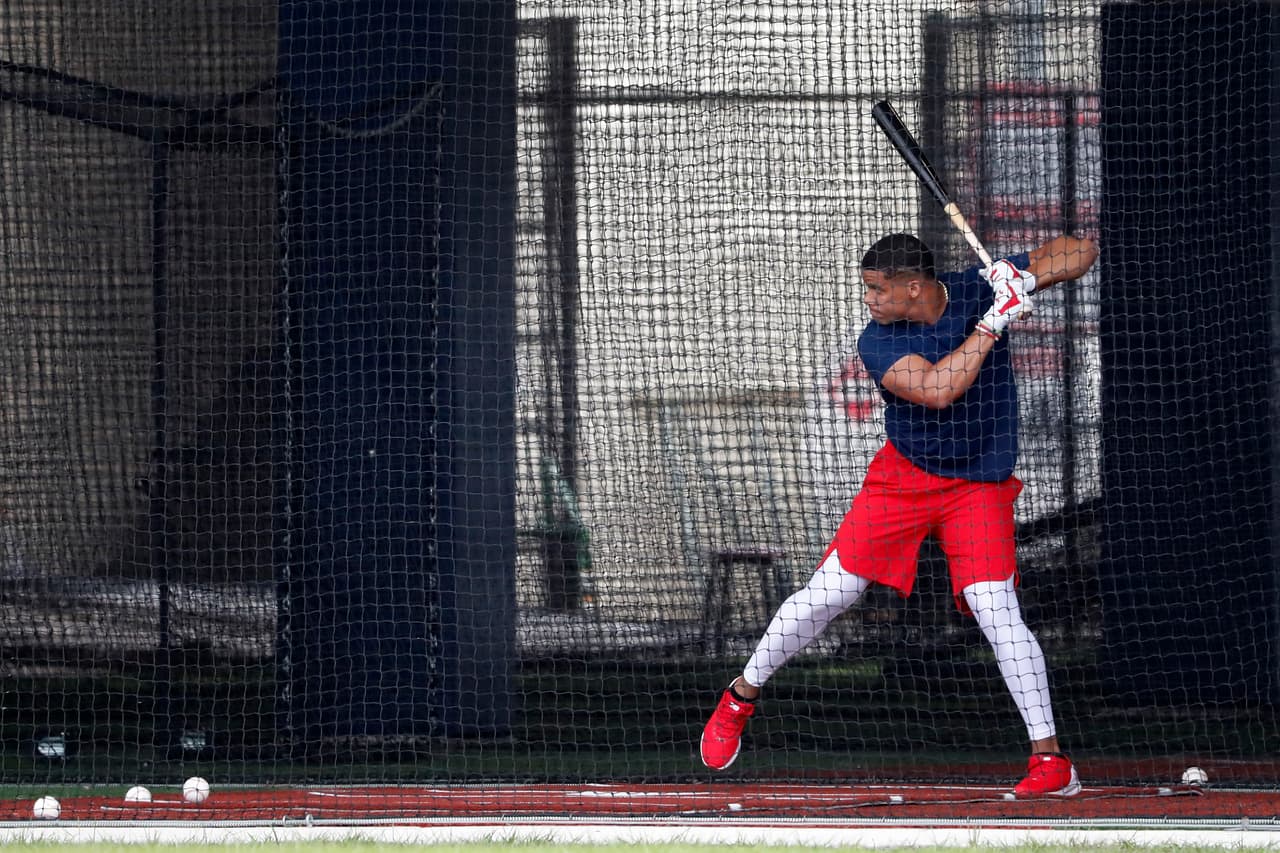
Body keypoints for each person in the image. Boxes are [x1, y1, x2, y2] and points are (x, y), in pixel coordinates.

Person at [699, 232, 1100, 798]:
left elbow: (1080, 249)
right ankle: (741, 695)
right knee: (830, 594)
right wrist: (992, 325)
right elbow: (938, 389)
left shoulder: (977, 286)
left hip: (976, 485)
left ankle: (1051, 761)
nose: (868, 299)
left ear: (914, 287)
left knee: (995, 607)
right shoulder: (878, 340)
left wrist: (1026, 279)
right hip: (904, 479)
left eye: (877, 289)